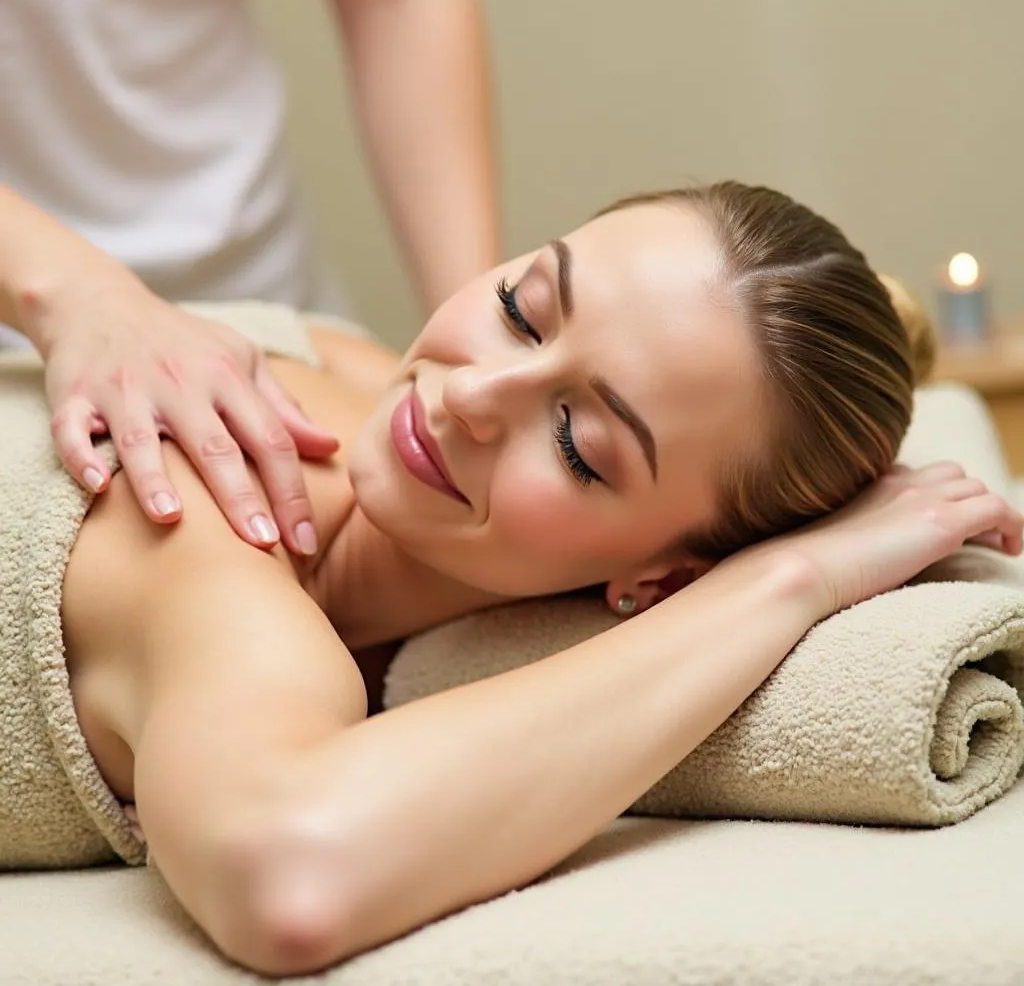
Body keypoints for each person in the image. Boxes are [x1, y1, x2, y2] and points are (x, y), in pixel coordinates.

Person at [0, 180, 1019, 976]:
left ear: (662, 575)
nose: (471, 393)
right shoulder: (220, 556)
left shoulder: (334, 376)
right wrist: (791, 578)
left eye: (578, 442)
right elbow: (286, 874)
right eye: (521, 307)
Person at [0, 0, 499, 550]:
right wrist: (80, 297)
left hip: (268, 298)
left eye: (526, 311)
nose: (474, 399)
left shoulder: (354, 377)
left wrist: (478, 335)